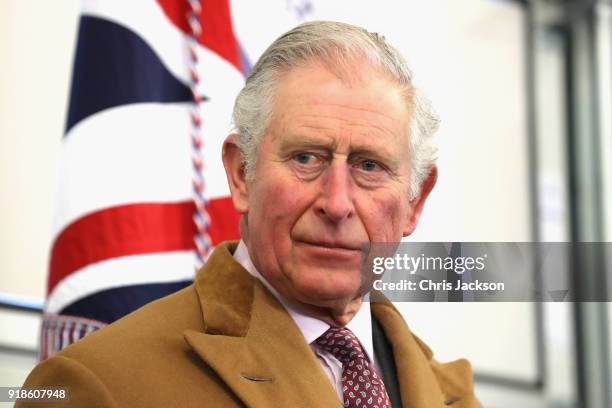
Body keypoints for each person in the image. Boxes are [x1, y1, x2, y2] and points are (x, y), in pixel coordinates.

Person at [18, 21, 481, 407]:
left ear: (415, 202)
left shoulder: (452, 394)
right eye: (307, 158)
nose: (337, 203)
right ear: (242, 174)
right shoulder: (99, 385)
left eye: (369, 166)